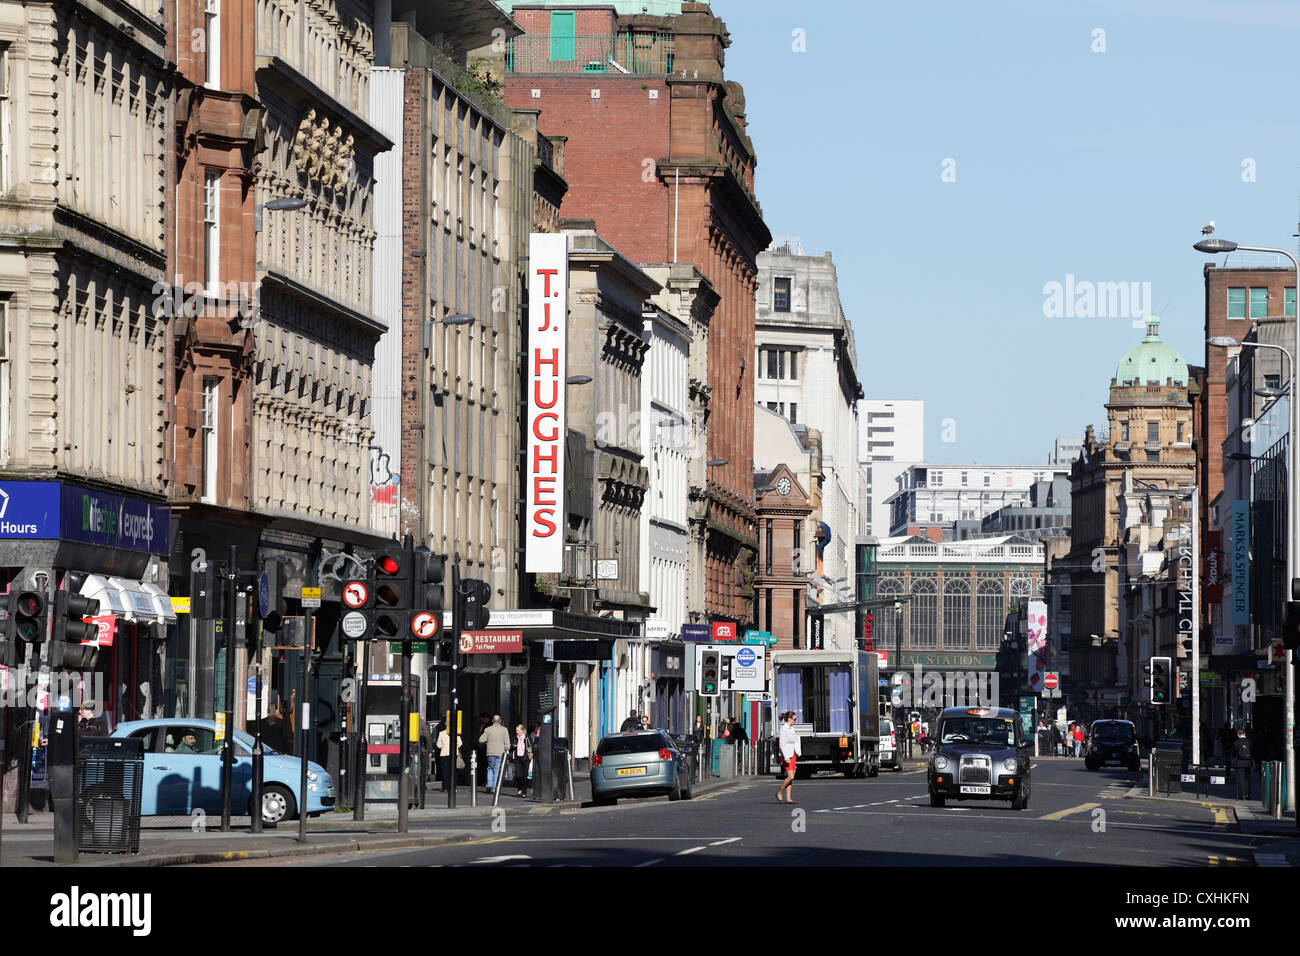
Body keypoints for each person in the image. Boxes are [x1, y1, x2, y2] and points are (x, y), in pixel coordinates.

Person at [479, 714, 511, 792]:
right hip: (500, 752)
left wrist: (487, 742)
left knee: (490, 768)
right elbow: (507, 743)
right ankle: (494, 788)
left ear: (492, 721)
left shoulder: (487, 729)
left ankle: (489, 784)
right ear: (500, 721)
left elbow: (481, 740)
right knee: (497, 770)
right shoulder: (504, 730)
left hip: (490, 752)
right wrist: (506, 748)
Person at [775, 711, 801, 804]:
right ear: (789, 719)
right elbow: (781, 744)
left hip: (792, 754)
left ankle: (788, 798)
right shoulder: (783, 729)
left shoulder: (791, 728)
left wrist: (797, 752)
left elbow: (794, 741)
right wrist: (786, 757)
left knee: (791, 777)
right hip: (786, 755)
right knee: (791, 776)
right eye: (794, 719)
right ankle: (779, 792)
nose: (795, 721)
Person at [1230, 729, 1254, 800]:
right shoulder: (1250, 742)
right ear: (1244, 734)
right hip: (1248, 763)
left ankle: (1241, 794)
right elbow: (1252, 751)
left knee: (1240, 779)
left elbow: (1232, 752)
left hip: (1239, 763)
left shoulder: (1236, 743)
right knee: (1247, 778)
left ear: (1238, 735)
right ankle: (1248, 794)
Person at [512, 724, 533, 797]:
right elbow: (511, 747)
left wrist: (530, 755)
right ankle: (519, 789)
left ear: (522, 730)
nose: (516, 732)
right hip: (517, 758)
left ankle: (524, 792)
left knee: (525, 775)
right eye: (516, 730)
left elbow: (531, 747)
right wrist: (513, 746)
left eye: (518, 730)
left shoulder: (527, 737)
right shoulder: (515, 738)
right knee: (518, 775)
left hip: (525, 758)